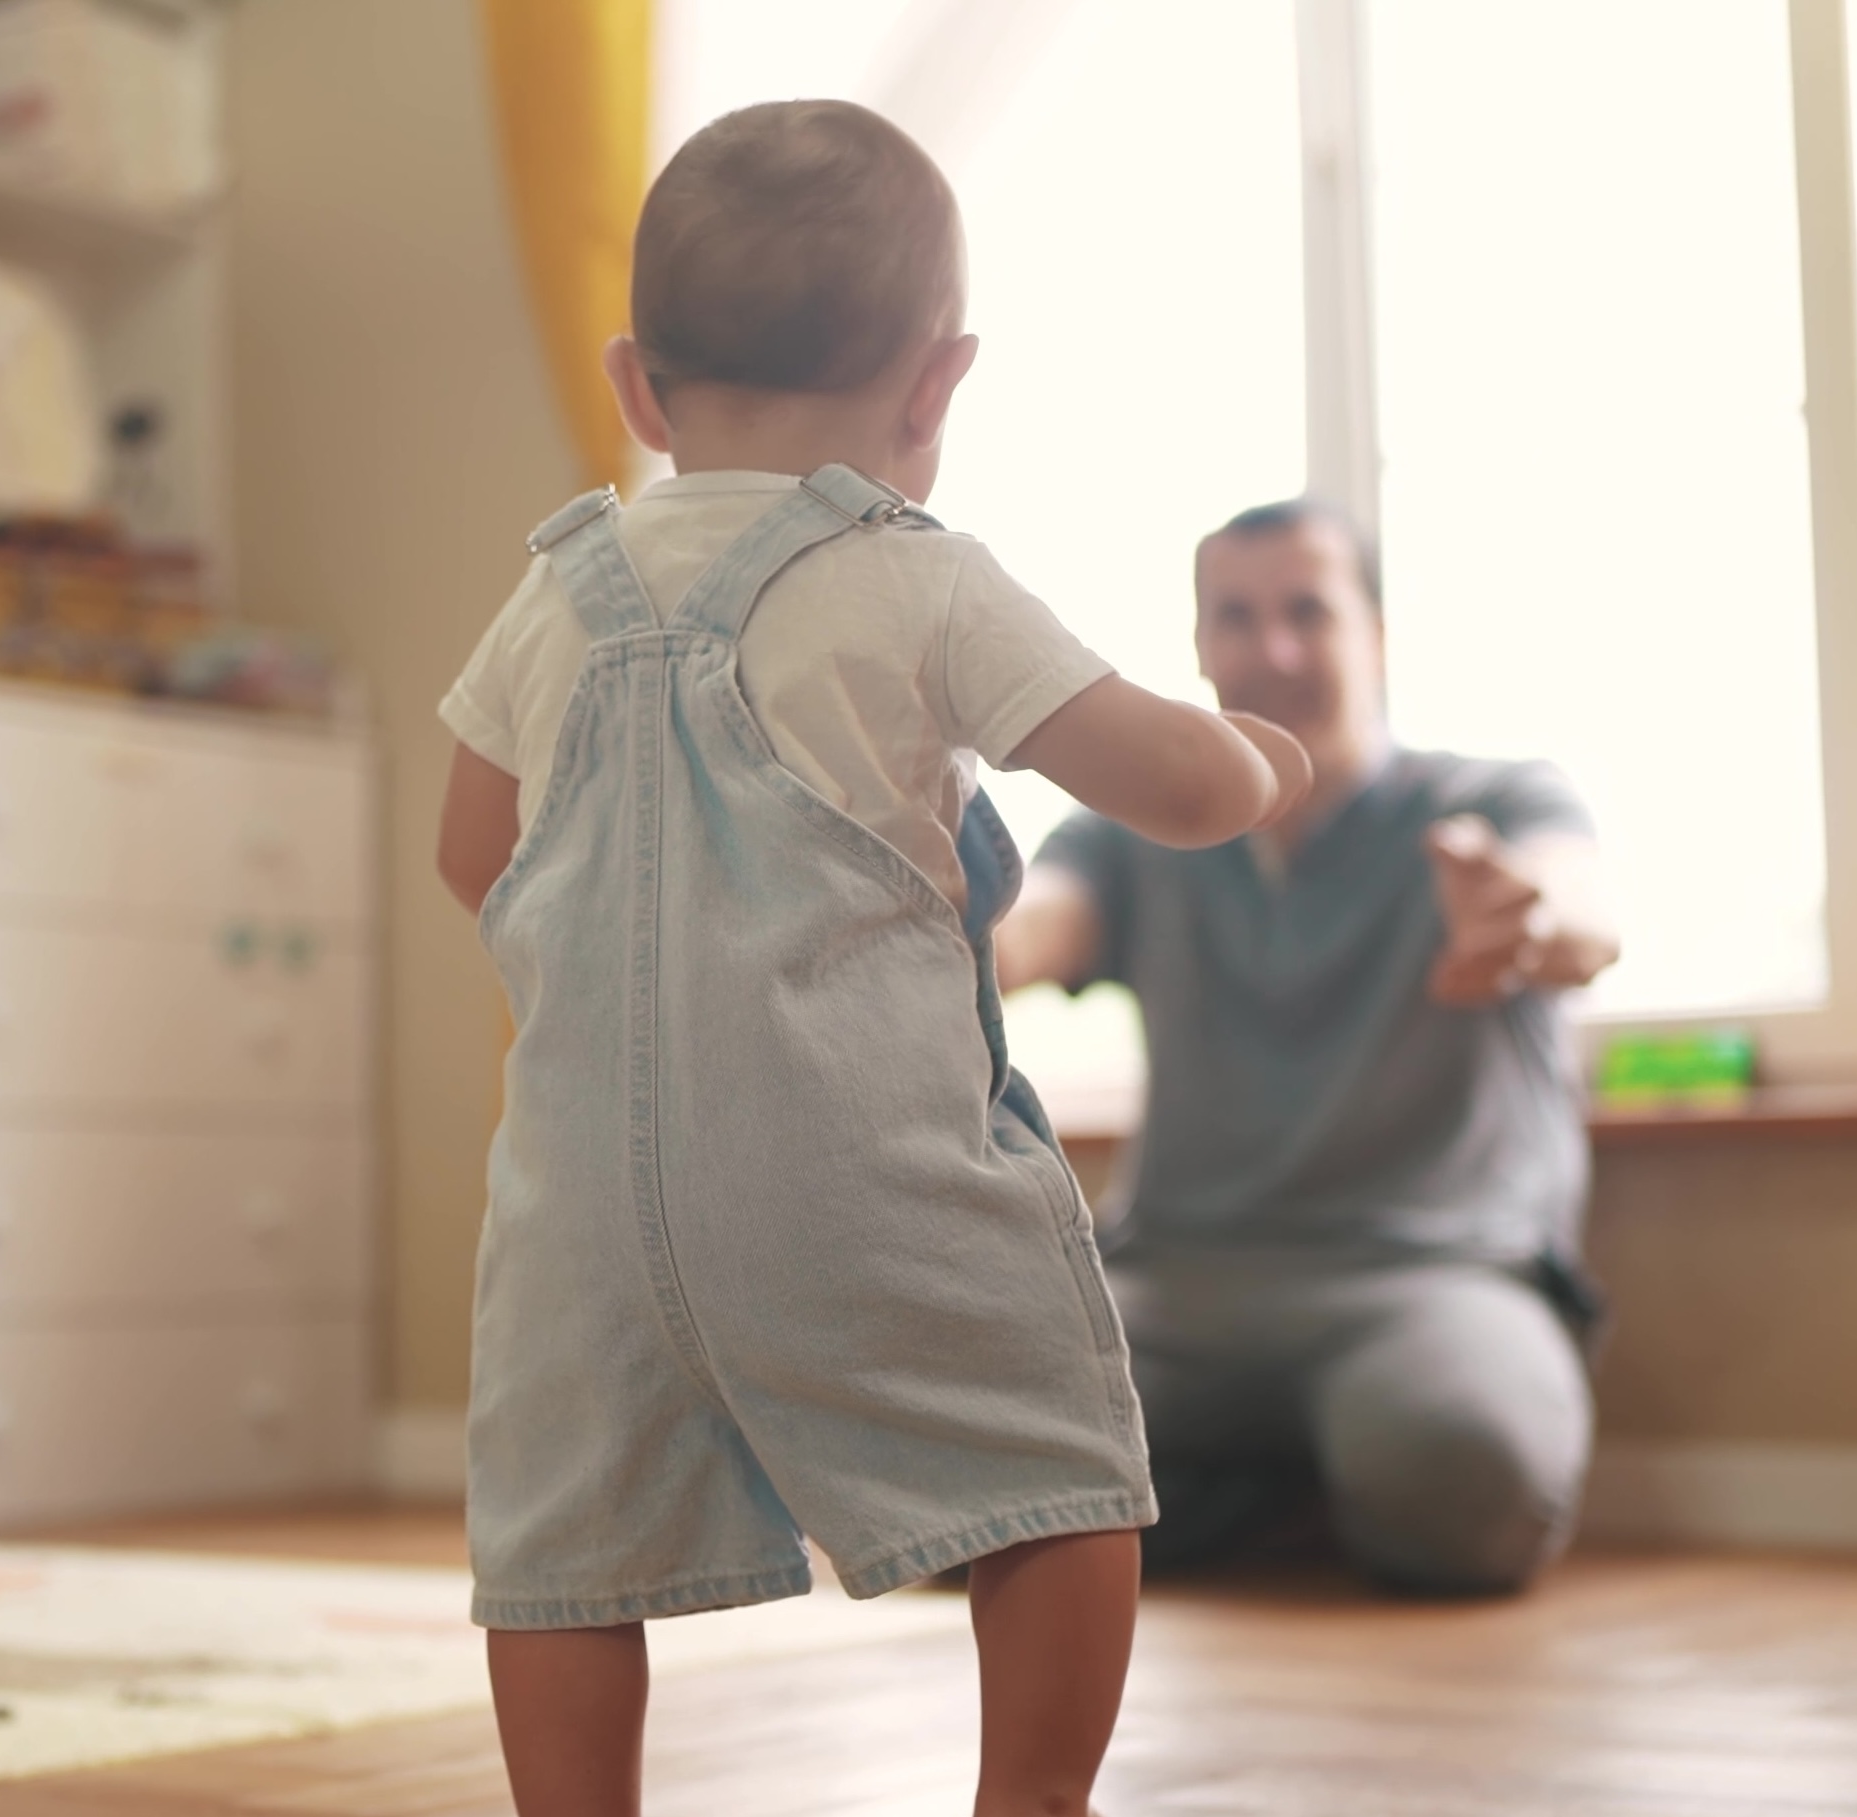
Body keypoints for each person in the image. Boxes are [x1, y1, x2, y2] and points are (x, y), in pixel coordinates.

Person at [432, 102, 1311, 1817]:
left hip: (572, 1216)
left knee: (560, 1546)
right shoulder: (915, 580)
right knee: (1057, 1460)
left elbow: (478, 856)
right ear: (935, 387)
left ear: (637, 389)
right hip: (849, 1169)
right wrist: (1261, 760)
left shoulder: (552, 593)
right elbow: (1175, 785)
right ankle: (1028, 1795)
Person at [994, 498, 1621, 1598]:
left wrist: (1523, 920)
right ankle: (1295, 1493)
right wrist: (944, 925)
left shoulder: (1494, 800)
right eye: (1236, 617)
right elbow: (1031, 927)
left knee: (1468, 1483)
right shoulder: (1131, 839)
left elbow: (1579, 914)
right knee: (963, 1467)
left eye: (1306, 612)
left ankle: (1234, 1492)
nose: (1272, 650)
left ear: (1374, 633)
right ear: (1200, 646)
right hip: (1174, 1287)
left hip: (1427, 1278)